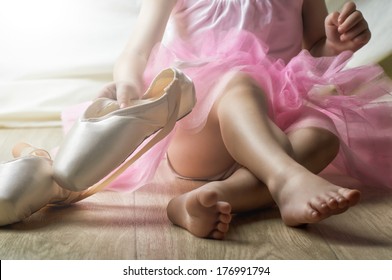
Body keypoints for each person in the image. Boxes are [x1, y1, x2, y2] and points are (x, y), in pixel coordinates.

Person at [89, 0, 391, 240]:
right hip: (202, 121)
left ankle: (210, 198)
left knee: (323, 135)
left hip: (275, 122)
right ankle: (287, 177)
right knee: (242, 81)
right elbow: (139, 50)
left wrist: (337, 45)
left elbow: (314, 50)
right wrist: (128, 84)